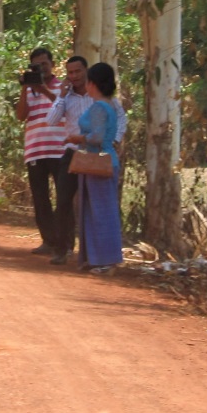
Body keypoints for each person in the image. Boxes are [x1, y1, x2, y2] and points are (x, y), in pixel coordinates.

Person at [68, 62, 123, 273]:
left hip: (98, 161)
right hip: (99, 162)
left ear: (93, 83)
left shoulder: (100, 107)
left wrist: (77, 138)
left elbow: (97, 137)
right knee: (95, 209)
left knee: (101, 211)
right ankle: (96, 257)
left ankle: (105, 260)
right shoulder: (109, 104)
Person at [14, 47, 66, 257]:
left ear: (52, 64)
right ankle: (48, 240)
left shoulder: (63, 86)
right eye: (36, 65)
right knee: (40, 198)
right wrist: (26, 88)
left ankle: (65, 243)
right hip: (35, 150)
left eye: (44, 64)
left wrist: (43, 88)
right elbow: (20, 116)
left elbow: (64, 107)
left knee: (63, 199)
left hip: (60, 150)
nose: (41, 68)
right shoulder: (28, 90)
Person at [44, 55, 92, 265]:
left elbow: (117, 116)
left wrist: (115, 139)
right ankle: (61, 249)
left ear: (86, 71)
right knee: (63, 202)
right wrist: (61, 96)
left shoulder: (97, 94)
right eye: (70, 73)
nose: (74, 76)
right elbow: (51, 120)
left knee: (92, 204)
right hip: (71, 154)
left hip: (94, 154)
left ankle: (92, 253)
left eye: (78, 71)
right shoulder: (66, 97)